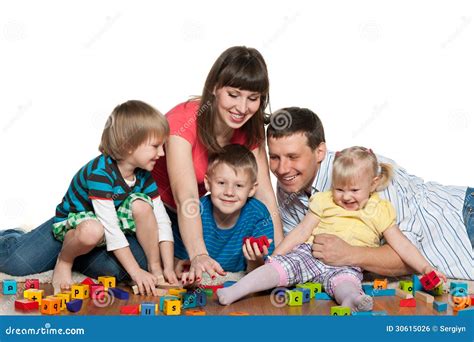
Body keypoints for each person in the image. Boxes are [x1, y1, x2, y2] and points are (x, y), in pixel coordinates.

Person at [217, 146, 447, 310]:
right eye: (340, 189)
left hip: (348, 264)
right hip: (310, 254)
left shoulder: (379, 209)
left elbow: (401, 244)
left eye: (354, 191)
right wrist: (277, 255)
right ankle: (235, 291)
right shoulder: (325, 200)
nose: (345, 196)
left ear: (373, 184)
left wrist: (426, 268)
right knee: (276, 269)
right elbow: (301, 232)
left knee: (347, 283)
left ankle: (352, 301)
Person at [267, 107, 473, 280]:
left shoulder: (363, 171)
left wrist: (349, 254)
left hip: (463, 219)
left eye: (293, 156)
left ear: (319, 152)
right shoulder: (290, 184)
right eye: (274, 157)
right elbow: (297, 249)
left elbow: (406, 256)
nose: (283, 168)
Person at [152, 46, 284, 284]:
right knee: (141, 267)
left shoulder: (251, 128)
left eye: (252, 99)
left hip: (209, 213)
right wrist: (199, 254)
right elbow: (187, 197)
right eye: (233, 95)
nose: (242, 108)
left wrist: (282, 254)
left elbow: (264, 193)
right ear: (214, 87)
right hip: (164, 213)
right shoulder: (182, 121)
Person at [51, 100, 177, 294]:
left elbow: (162, 220)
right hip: (79, 223)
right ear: (128, 146)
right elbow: (110, 228)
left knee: (143, 206)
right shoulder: (100, 173)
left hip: (111, 223)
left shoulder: (144, 175)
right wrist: (137, 274)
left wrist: (164, 269)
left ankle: (154, 267)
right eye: (155, 146)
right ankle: (65, 260)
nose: (161, 153)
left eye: (163, 146)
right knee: (93, 230)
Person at [175, 144, 274, 283]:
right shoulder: (195, 212)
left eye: (239, 185)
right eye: (221, 183)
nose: (229, 192)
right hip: (203, 282)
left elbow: (261, 273)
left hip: (241, 280)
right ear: (208, 183)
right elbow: (179, 264)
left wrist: (255, 260)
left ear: (252, 189)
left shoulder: (259, 214)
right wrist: (185, 270)